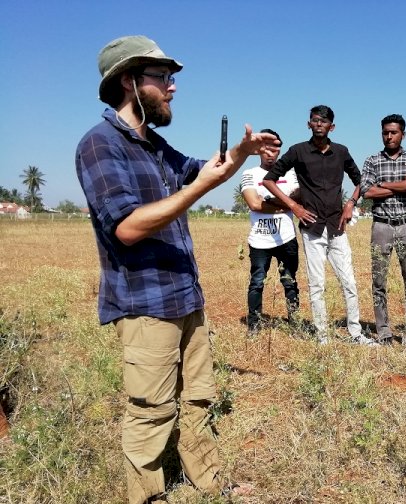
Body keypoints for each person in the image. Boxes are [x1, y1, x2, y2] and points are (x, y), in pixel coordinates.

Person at [75, 36, 278, 503]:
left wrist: (242, 154)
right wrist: (198, 189)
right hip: (146, 304)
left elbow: (206, 169)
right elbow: (126, 227)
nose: (173, 88)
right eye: (163, 77)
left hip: (185, 297)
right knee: (149, 410)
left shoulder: (154, 145)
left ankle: (207, 482)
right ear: (129, 82)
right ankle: (147, 497)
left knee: (198, 398)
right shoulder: (99, 145)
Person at [262, 105, 376, 345]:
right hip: (312, 228)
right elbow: (269, 180)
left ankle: (355, 332)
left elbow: (361, 181)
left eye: (324, 121)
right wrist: (294, 207)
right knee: (317, 284)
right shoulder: (298, 152)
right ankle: (323, 336)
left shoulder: (341, 152)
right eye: (315, 120)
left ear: (331, 126)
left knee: (349, 282)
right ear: (309, 124)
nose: (319, 124)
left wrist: (351, 204)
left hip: (337, 226)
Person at [360, 114, 406, 345]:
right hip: (381, 226)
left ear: (402, 134)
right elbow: (367, 192)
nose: (389, 136)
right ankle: (384, 332)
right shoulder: (372, 161)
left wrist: (383, 185)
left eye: (393, 132)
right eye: (385, 132)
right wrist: (400, 186)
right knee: (379, 283)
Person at [240, 128, 300, 335]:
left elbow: (298, 199)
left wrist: (270, 201)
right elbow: (254, 204)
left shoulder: (291, 174)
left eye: (275, 150)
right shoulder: (249, 174)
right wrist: (287, 204)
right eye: (266, 149)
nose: (270, 154)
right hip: (259, 241)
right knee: (257, 283)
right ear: (259, 150)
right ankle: (254, 325)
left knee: (289, 282)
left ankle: (296, 324)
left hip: (287, 238)